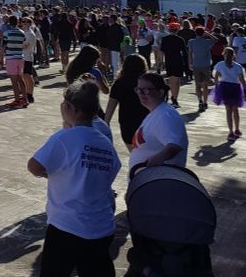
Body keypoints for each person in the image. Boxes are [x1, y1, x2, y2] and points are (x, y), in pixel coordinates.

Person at [28, 78, 121, 277]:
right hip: (101, 224)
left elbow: (34, 166)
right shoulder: (104, 141)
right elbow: (112, 171)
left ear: (70, 108)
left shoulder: (64, 138)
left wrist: (51, 175)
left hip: (67, 224)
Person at [129, 72, 188, 170]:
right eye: (139, 90)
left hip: (160, 179)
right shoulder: (156, 113)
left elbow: (175, 146)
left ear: (160, 92)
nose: (141, 94)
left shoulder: (165, 115)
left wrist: (155, 161)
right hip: (147, 179)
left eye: (146, 90)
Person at [105, 54, 149, 146]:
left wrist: (106, 122)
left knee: (134, 154)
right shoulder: (147, 83)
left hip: (127, 123)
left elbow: (110, 107)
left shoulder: (119, 84)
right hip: (147, 122)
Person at [212, 47, 246, 141]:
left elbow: (216, 77)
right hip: (235, 87)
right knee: (235, 110)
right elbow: (242, 79)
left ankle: (230, 132)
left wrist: (217, 87)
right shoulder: (238, 66)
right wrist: (245, 91)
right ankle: (237, 129)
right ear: (234, 55)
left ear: (224, 54)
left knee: (228, 110)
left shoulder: (220, 64)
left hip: (224, 87)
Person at [187, 27, 215, 112]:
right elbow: (215, 40)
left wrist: (189, 63)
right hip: (206, 65)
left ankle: (200, 100)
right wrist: (209, 34)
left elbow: (190, 53)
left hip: (196, 64)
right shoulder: (207, 42)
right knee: (205, 85)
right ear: (203, 33)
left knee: (197, 85)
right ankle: (205, 102)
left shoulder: (191, 42)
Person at [158, 24, 186, 108]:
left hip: (169, 61)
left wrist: (161, 62)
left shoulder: (165, 39)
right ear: (177, 30)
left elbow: (161, 52)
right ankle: (175, 98)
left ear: (169, 30)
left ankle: (173, 96)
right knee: (177, 81)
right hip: (178, 61)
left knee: (171, 79)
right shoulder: (180, 39)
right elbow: (184, 52)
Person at [230, 25, 246, 91]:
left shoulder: (236, 39)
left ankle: (239, 84)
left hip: (238, 58)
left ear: (237, 32)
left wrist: (233, 57)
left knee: (238, 72)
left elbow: (235, 49)